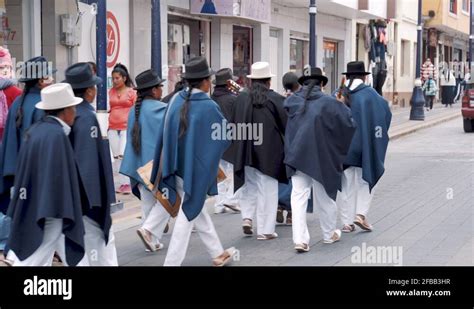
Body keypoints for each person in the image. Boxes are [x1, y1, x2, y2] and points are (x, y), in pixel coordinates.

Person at [150, 56, 235, 266]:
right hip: (194, 169)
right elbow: (224, 135)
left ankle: (217, 253)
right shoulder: (207, 106)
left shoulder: (177, 99)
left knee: (197, 209)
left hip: (174, 164)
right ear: (205, 81)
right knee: (189, 211)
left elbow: (166, 132)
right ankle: (171, 263)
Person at [6, 83, 88, 266]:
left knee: (48, 248)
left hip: (40, 205)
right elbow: (57, 177)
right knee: (39, 252)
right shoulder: (56, 135)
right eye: (73, 107)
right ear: (65, 111)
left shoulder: (37, 130)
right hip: (50, 209)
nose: (75, 112)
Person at [285, 67, 356, 252]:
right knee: (324, 195)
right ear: (322, 84)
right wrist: (342, 104)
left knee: (298, 197)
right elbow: (349, 124)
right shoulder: (330, 103)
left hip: (297, 154)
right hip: (321, 155)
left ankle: (300, 240)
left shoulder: (292, 101)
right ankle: (328, 233)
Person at [0, 56, 55, 266]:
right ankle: (17, 258)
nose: (50, 80)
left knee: (23, 221)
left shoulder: (19, 103)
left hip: (17, 174)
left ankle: (14, 255)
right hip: (37, 177)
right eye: (48, 76)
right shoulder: (43, 105)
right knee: (42, 226)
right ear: (41, 80)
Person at [64, 63, 118, 266]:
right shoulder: (86, 116)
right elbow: (86, 162)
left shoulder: (68, 112)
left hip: (73, 196)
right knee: (100, 243)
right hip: (88, 198)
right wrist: (95, 203)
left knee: (81, 247)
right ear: (89, 90)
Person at [231, 62, 288, 240]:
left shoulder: (241, 98)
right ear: (268, 81)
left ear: (252, 80)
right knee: (268, 190)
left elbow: (233, 122)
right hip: (268, 152)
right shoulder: (275, 99)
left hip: (244, 149)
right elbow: (286, 124)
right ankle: (266, 230)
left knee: (249, 186)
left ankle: (247, 218)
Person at [337, 61, 392, 233]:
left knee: (345, 185)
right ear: (364, 77)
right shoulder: (371, 95)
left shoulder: (338, 94)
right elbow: (385, 114)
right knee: (365, 180)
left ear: (347, 77)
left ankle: (346, 223)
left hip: (343, 148)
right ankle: (360, 214)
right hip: (364, 147)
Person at [120, 69, 171, 252]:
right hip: (155, 167)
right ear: (154, 90)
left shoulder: (134, 110)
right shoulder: (161, 109)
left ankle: (152, 241)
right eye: (160, 87)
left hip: (138, 166)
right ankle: (149, 231)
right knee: (169, 200)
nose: (162, 91)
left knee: (148, 203)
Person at [211, 68, 241, 214]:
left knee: (220, 173)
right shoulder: (233, 99)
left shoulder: (211, 99)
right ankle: (231, 199)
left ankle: (219, 203)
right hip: (230, 139)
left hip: (214, 141)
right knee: (234, 172)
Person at [276, 71, 302, 224]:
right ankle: (291, 213)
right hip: (296, 143)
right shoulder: (300, 101)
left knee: (282, 176)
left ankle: (279, 205)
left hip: (280, 143)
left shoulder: (280, 100)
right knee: (295, 179)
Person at [108, 63, 137, 194]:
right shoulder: (110, 92)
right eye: (113, 78)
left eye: (117, 78)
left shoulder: (131, 92)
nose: (114, 81)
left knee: (123, 155)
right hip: (112, 127)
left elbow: (137, 109)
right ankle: (122, 183)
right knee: (116, 156)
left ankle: (127, 182)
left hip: (126, 127)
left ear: (124, 78)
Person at [0, 47, 22, 141]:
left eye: (8, 67)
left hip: (9, 138)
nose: (5, 70)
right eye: (1, 67)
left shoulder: (17, 92)